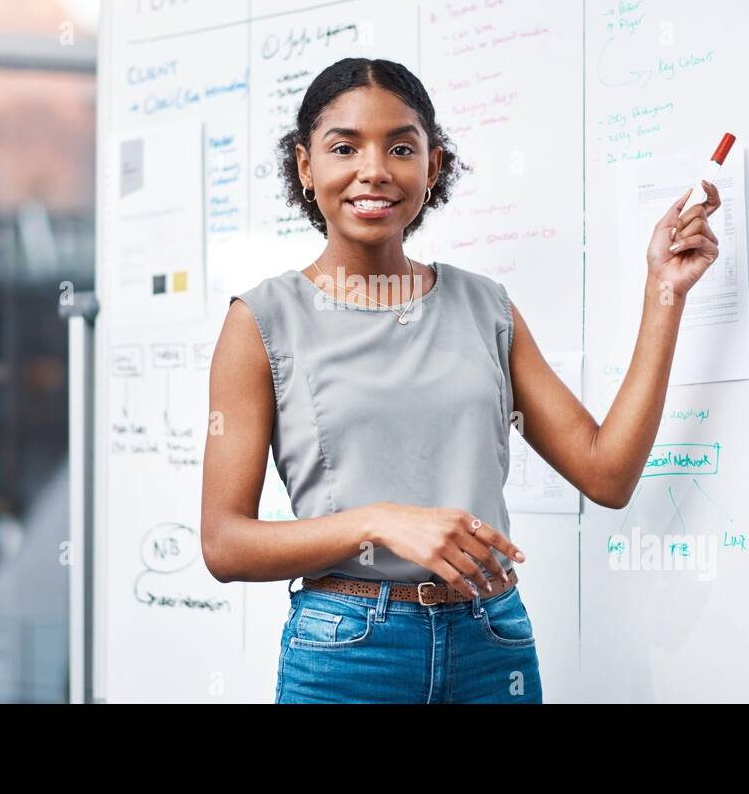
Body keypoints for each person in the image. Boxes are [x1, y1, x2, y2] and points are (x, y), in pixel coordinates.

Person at [201, 57, 721, 703]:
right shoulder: (261, 321)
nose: (374, 170)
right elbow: (225, 543)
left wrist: (663, 292)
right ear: (307, 168)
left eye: (401, 146)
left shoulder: (486, 308)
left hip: (491, 641)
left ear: (433, 166)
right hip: (347, 654)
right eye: (344, 147)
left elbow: (606, 472)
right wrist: (378, 521)